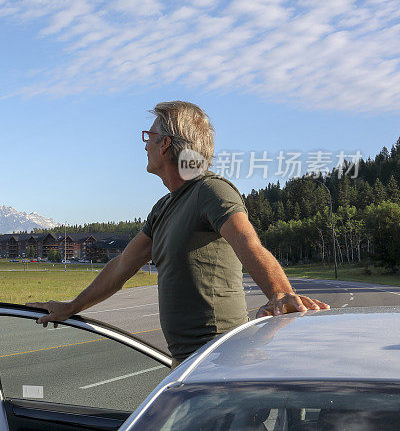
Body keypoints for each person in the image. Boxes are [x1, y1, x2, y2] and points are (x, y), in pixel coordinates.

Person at [27, 101, 329, 366]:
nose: (145, 144)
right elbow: (122, 266)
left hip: (219, 361)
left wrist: (280, 293)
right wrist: (71, 307)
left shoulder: (211, 190)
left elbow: (247, 241)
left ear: (166, 144)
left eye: (150, 137)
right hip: (186, 363)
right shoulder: (164, 208)